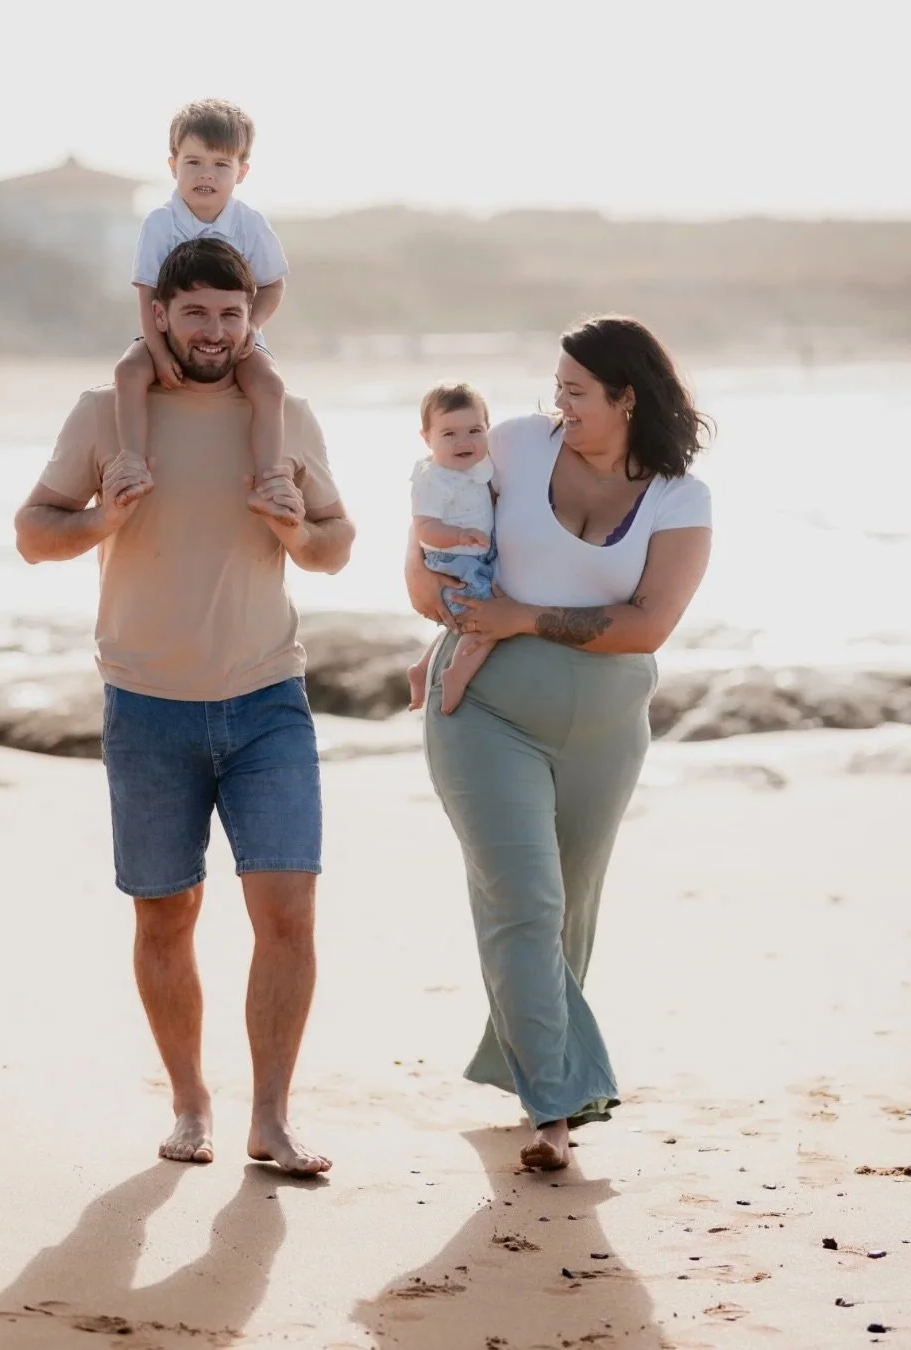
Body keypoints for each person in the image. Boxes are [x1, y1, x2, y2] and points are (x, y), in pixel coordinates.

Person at [14, 237, 355, 1175]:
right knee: (165, 918)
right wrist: (101, 520)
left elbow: (336, 545)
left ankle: (271, 1120)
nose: (214, 331)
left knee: (288, 914)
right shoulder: (104, 414)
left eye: (230, 314)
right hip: (147, 708)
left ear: (251, 320)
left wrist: (297, 530)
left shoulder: (284, 416)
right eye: (196, 312)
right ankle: (191, 1105)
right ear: (159, 314)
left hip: (268, 701)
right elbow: (33, 533)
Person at [405, 315, 713, 1171]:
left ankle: (525, 1059)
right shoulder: (513, 446)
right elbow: (427, 550)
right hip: (485, 712)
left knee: (567, 914)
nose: (559, 406)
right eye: (557, 389)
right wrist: (448, 607)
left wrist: (521, 616)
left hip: (606, 732)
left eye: (576, 392)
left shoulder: (680, 498)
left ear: (627, 397)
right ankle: (556, 1107)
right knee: (525, 904)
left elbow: (648, 625)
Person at [115, 97, 295, 523]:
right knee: (128, 372)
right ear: (173, 165)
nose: (206, 175)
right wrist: (158, 351)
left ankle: (269, 479)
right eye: (193, 162)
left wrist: (252, 326)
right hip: (166, 333)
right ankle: (132, 462)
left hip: (236, 335)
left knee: (270, 386)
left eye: (220, 165)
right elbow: (147, 293)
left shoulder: (250, 223)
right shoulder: (160, 223)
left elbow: (273, 285)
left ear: (241, 172)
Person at [406, 382, 497, 715]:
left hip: (474, 555)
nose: (464, 442)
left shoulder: (480, 466)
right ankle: (456, 674)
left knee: (460, 624)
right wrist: (459, 535)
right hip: (452, 559)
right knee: (486, 620)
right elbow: (424, 527)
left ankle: (422, 668)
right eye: (449, 434)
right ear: (426, 438)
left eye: (474, 430)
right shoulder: (434, 478)